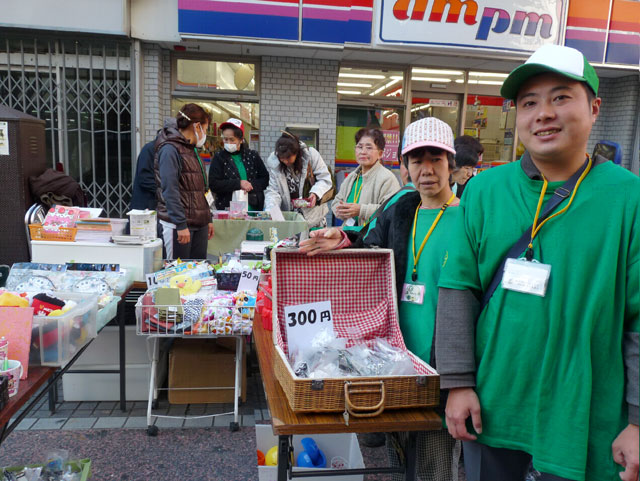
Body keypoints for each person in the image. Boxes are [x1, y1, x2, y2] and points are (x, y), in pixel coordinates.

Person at [435, 44, 639, 481]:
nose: (543, 113)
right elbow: (458, 288)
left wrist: (639, 421)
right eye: (529, 102)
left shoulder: (629, 199)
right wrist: (457, 382)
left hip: (586, 416)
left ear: (595, 107)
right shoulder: (485, 192)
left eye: (561, 97)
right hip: (492, 407)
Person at [300, 117, 462, 480]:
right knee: (398, 454)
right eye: (416, 160)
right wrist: (343, 241)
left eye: (436, 159)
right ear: (405, 166)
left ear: (451, 164)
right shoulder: (403, 208)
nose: (426, 170)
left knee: (434, 466)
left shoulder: (469, 218)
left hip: (441, 368)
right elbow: (371, 247)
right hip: (396, 358)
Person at [154, 103, 214, 260]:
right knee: (177, 274)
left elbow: (202, 187)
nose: (205, 134)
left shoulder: (192, 149)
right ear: (197, 126)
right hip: (178, 225)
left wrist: (208, 218)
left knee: (198, 273)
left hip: (198, 223)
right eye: (206, 129)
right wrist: (180, 224)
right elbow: (170, 189)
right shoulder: (169, 149)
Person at [332, 128, 400, 228]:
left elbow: (392, 210)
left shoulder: (387, 178)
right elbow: (336, 201)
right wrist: (340, 210)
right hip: (349, 233)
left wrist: (361, 210)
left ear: (380, 154)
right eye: (359, 147)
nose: (363, 152)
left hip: (372, 237)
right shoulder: (352, 177)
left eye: (369, 148)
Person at [264, 132, 333, 229]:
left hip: (314, 219)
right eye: (282, 159)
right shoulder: (275, 164)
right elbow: (273, 191)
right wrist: (271, 210)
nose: (285, 161)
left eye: (288, 158)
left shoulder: (311, 155)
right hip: (290, 220)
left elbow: (325, 179)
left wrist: (315, 193)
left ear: (296, 153)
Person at [208, 118, 269, 211]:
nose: (228, 143)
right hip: (228, 209)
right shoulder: (219, 158)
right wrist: (238, 184)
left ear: (241, 140)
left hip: (253, 208)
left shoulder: (252, 156)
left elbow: (265, 178)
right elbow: (214, 184)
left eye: (232, 139)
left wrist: (250, 185)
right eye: (225, 139)